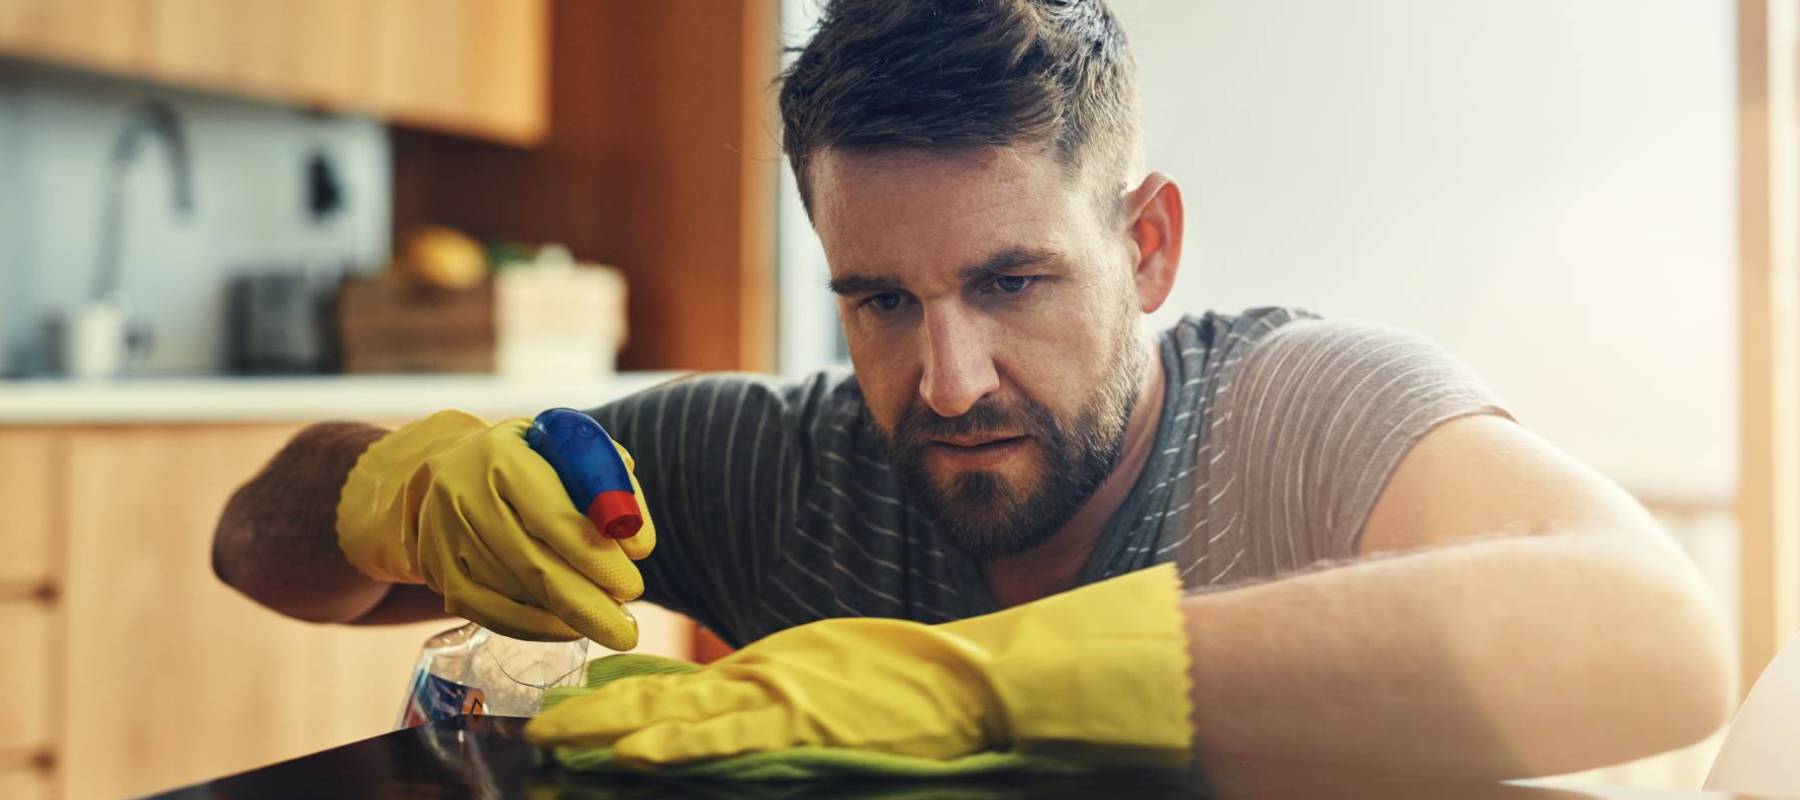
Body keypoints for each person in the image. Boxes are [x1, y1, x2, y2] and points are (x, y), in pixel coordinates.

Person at [212, 0, 1732, 783]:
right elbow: (263, 556)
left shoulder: (1294, 408)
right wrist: (394, 493)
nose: (947, 380)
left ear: (1145, 246)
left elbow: (1660, 644)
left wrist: (978, 687)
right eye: (880, 299)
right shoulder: (771, 466)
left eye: (1011, 284)